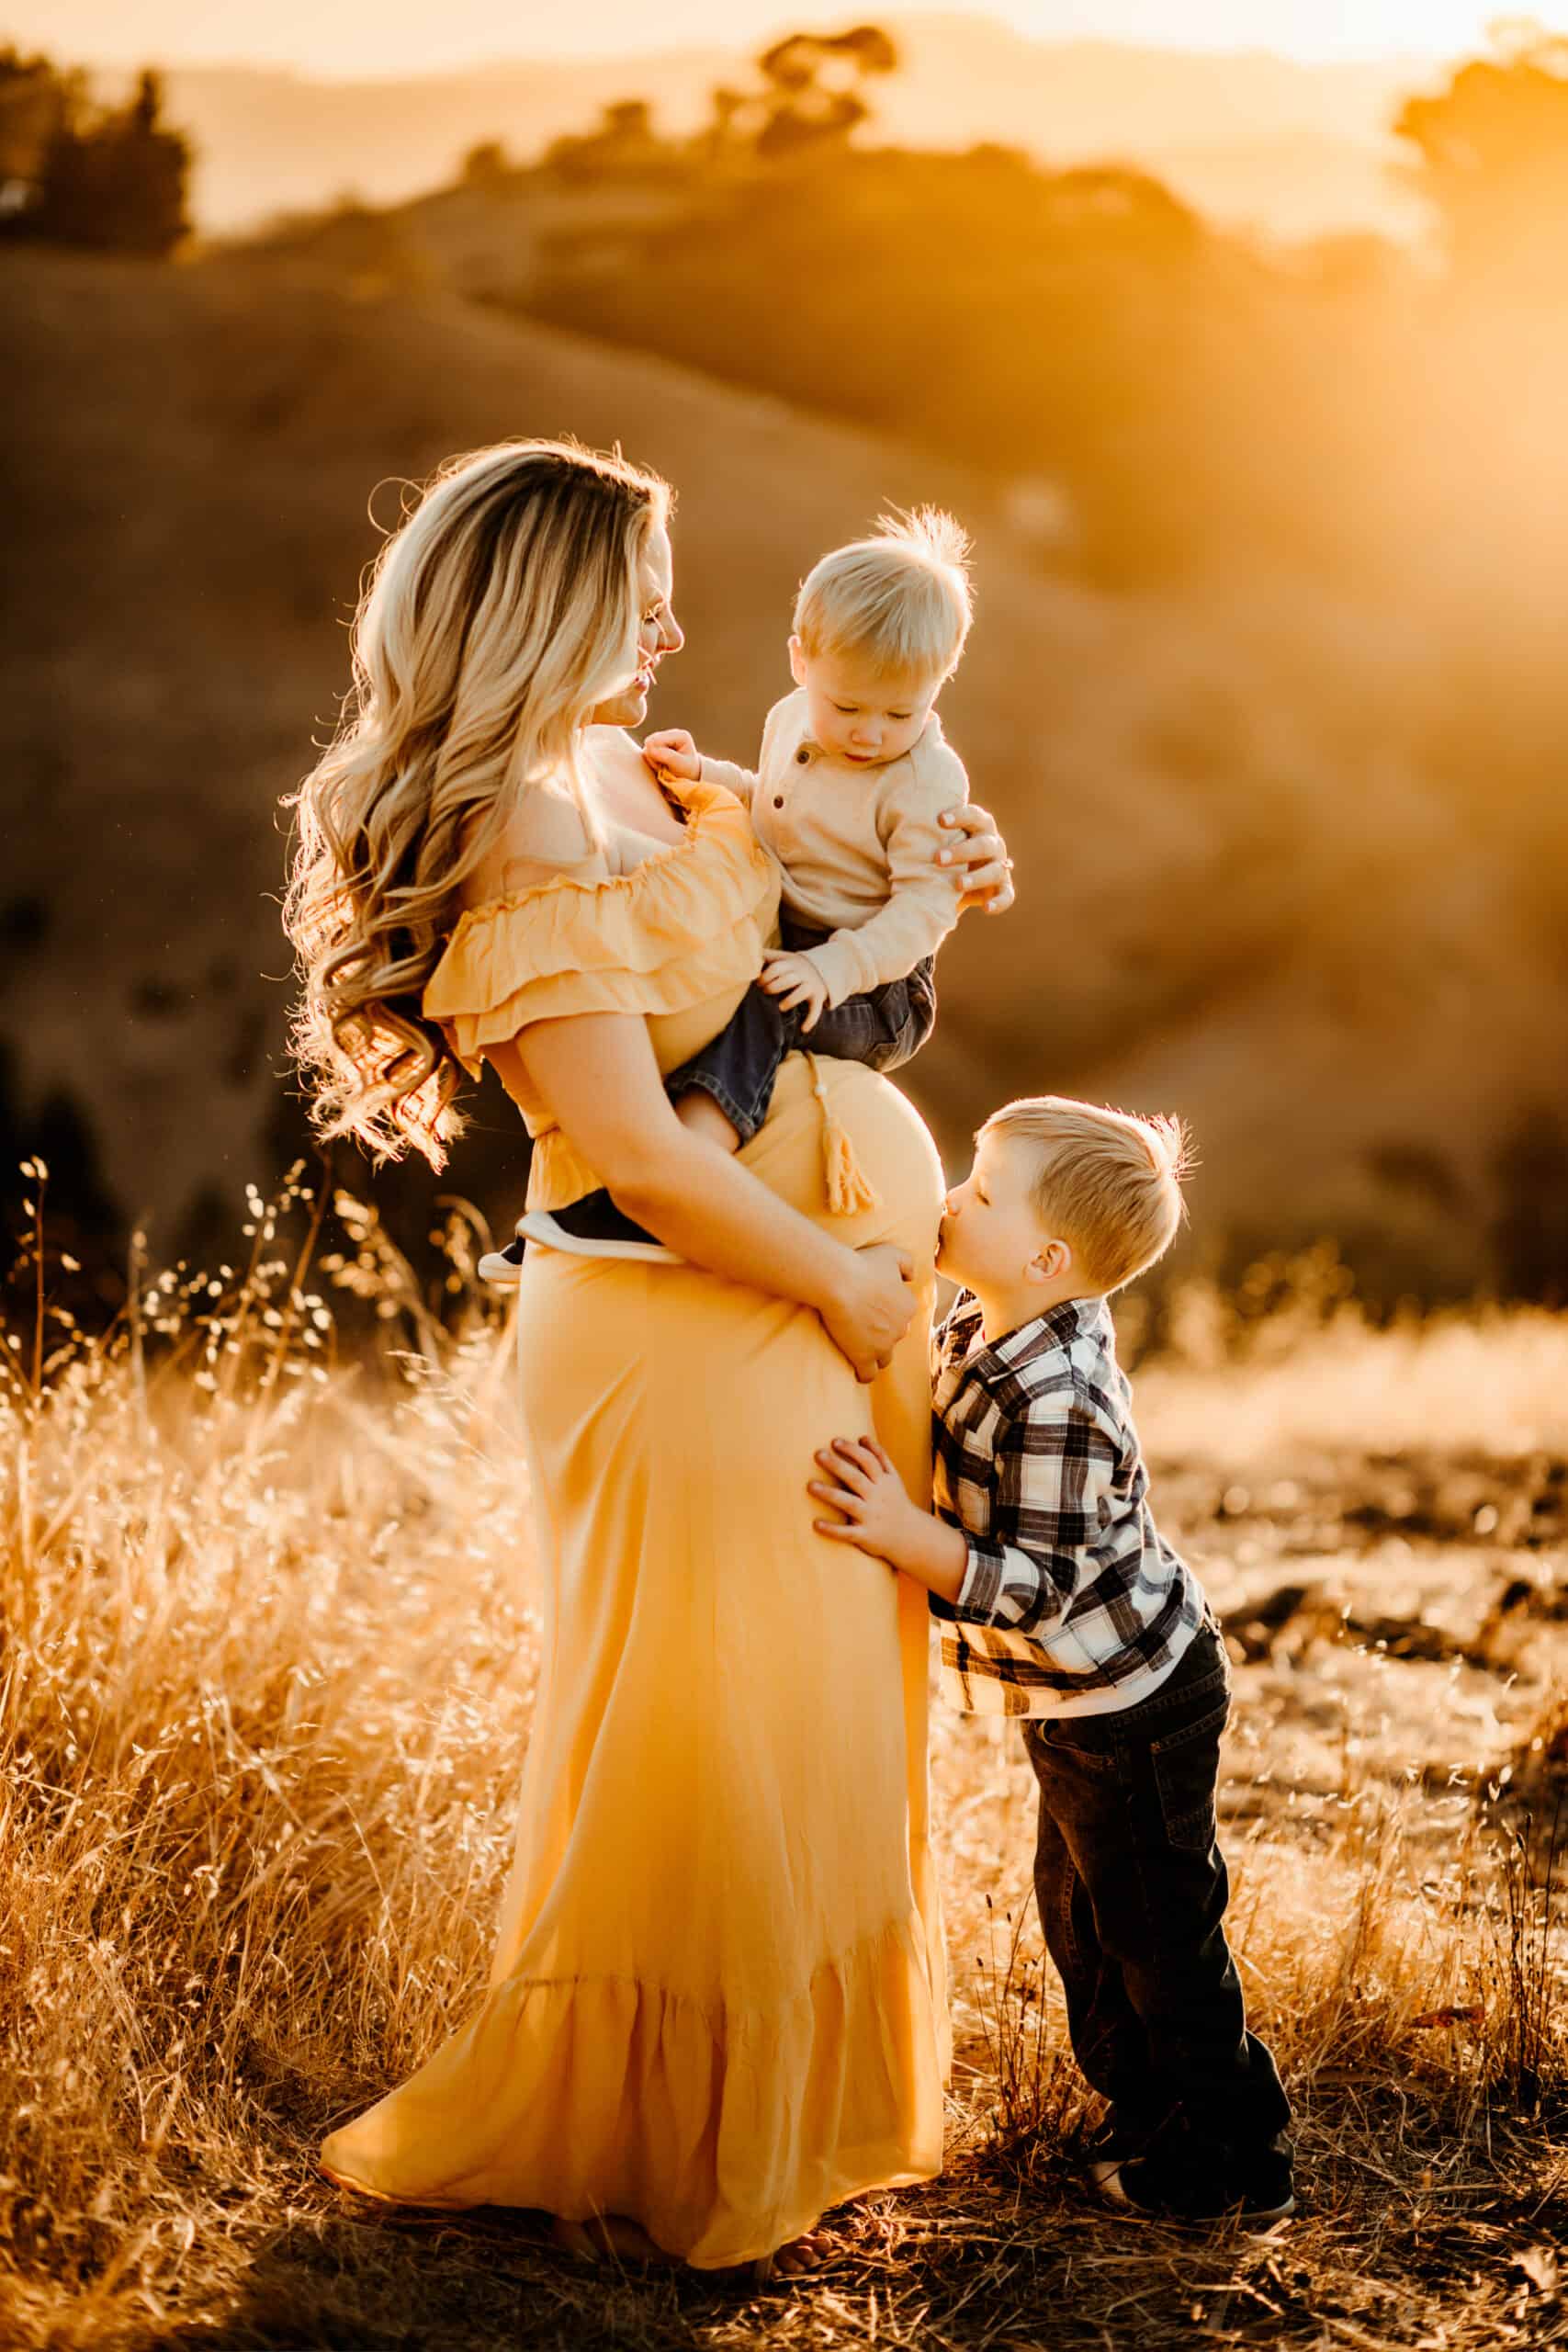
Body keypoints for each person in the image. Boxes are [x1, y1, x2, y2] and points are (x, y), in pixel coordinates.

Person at [283, 438, 1015, 2275]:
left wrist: (933, 872)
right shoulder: (509, 835)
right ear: (552, 610)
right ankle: (673, 2139)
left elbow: (781, 964)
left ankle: (804, 2104)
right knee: (709, 1727)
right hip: (685, 1328)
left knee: (818, 1697)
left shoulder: (626, 767)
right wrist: (851, 1295)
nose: (684, 626)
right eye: (645, 592)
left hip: (812, 1295)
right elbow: (652, 1156)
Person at [807, 1096, 1296, 2228]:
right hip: (1078, 1698)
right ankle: (1148, 2110)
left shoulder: (1061, 1393)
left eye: (978, 1193)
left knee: (1156, 1926)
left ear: (1046, 1254)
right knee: (1079, 1918)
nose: (949, 1200)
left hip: (1136, 1698)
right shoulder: (990, 1320)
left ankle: (1231, 2155)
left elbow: (1038, 1583)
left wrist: (901, 1534)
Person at [482, 506, 975, 1276]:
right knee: (709, 1004)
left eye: (901, 714)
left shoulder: (924, 782)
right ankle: (608, 1194)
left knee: (762, 1005)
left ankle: (668, 1178)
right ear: (800, 662)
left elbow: (923, 911)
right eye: (847, 708)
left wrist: (830, 970)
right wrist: (709, 778)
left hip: (877, 983)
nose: (869, 736)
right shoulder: (794, 721)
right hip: (803, 944)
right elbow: (782, 809)